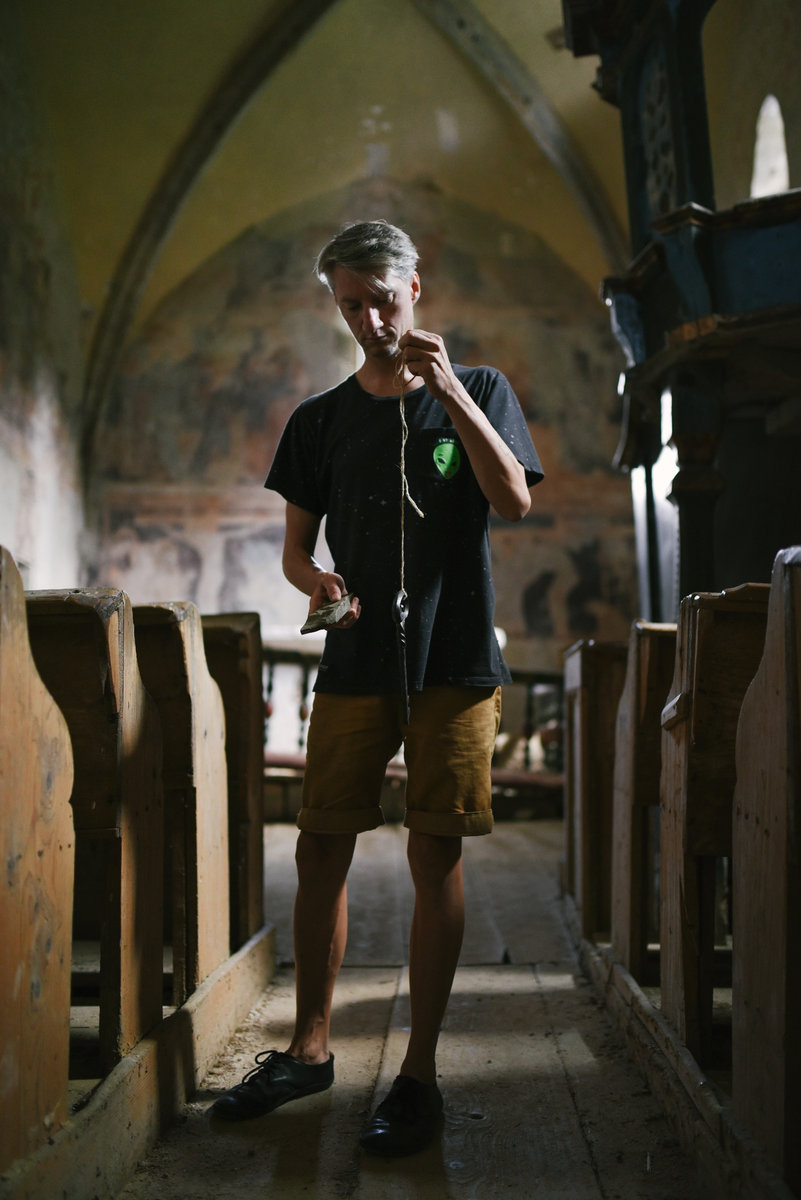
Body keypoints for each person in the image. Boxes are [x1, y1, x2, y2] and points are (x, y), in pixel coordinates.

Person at [210, 220, 544, 1155]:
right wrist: (314, 581)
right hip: (357, 658)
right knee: (321, 845)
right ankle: (309, 1050)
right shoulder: (318, 419)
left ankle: (418, 1075)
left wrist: (449, 393)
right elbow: (294, 551)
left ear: (415, 289)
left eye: (380, 299)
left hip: (454, 658)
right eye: (349, 305)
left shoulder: (481, 389)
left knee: (435, 852)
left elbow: (514, 500)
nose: (368, 320)